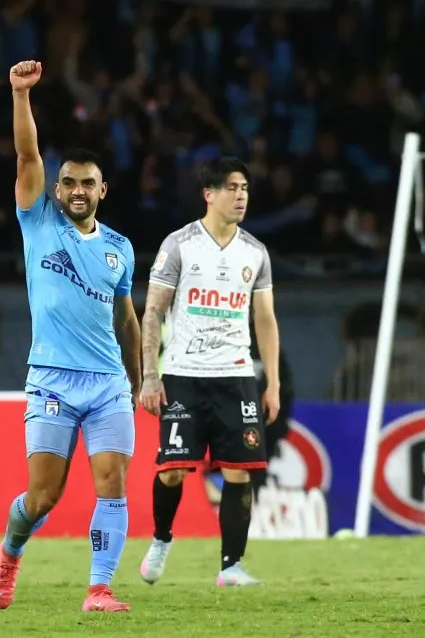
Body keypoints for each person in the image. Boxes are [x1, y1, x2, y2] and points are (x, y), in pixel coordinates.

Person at [0, 60, 142, 614]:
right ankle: (10, 553)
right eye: (69, 182)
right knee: (43, 496)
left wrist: (139, 379)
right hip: (51, 378)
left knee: (112, 481)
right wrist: (20, 95)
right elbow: (27, 154)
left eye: (87, 183)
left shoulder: (120, 247)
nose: (78, 190)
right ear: (57, 187)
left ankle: (99, 588)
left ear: (104, 188)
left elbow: (127, 319)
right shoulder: (39, 221)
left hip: (107, 384)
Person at [137, 156, 281, 587]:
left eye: (245, 189)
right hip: (183, 374)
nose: (241, 196)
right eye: (232, 188)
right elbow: (153, 312)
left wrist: (271, 382)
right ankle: (162, 538)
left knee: (240, 471)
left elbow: (266, 321)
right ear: (209, 194)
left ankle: (230, 566)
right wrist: (149, 374)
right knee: (174, 470)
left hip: (235, 376)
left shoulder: (255, 252)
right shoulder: (180, 245)